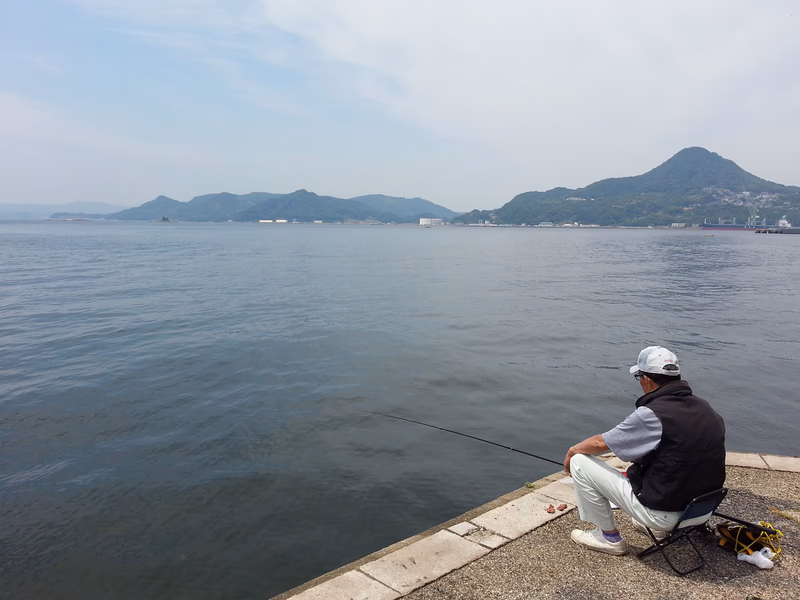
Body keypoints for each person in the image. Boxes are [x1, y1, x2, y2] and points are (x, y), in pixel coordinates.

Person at [563, 346, 726, 555]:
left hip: (666, 514)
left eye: (639, 377)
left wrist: (571, 452)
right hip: (701, 510)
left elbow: (599, 443)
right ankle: (658, 529)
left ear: (647, 378)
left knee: (580, 462)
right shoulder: (706, 408)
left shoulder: (653, 414)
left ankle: (608, 538)